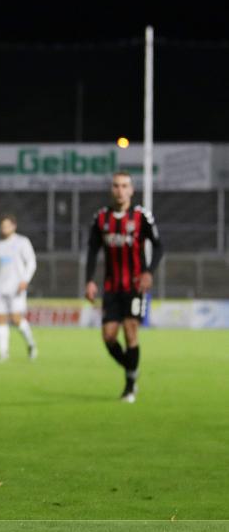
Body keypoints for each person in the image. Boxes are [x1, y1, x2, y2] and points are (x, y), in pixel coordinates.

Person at [85, 171, 163, 403]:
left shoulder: (142, 216)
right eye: (116, 186)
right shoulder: (101, 218)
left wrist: (149, 271)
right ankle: (132, 369)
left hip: (135, 285)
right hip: (111, 287)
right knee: (109, 337)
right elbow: (92, 251)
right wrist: (89, 280)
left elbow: (159, 247)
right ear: (112, 189)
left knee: (130, 331)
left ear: (131, 190)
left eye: (124, 186)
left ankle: (129, 388)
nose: (120, 190)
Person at [0, 214, 38, 362]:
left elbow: (31, 262)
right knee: (0, 320)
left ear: (14, 226)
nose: (4, 228)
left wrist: (25, 280)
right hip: (0, 288)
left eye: (7, 225)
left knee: (17, 319)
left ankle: (31, 344)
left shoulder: (22, 242)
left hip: (16, 288)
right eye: (3, 226)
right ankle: (3, 354)